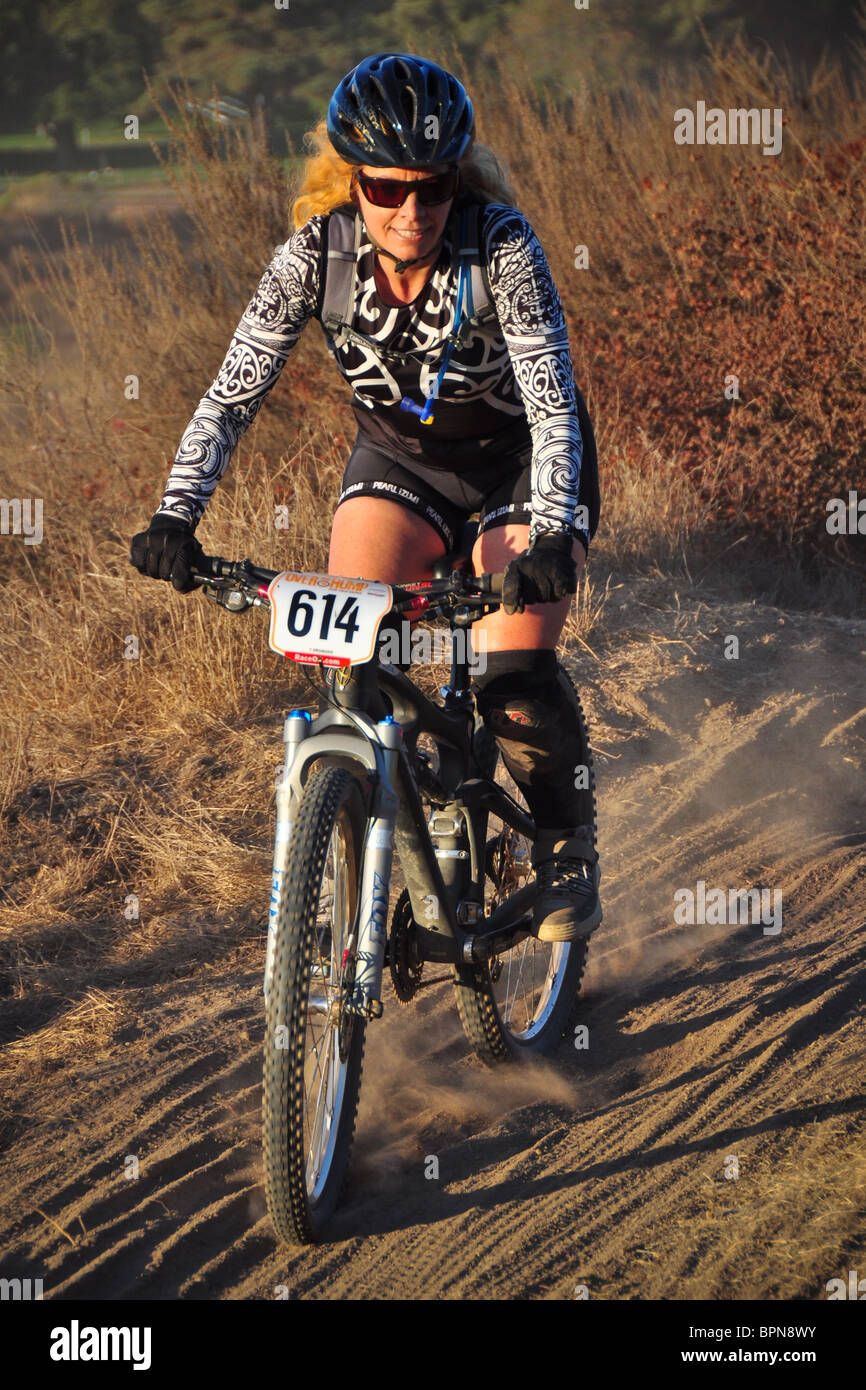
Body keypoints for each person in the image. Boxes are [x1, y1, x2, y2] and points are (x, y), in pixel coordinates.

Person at [130, 52, 602, 943]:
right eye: (386, 190)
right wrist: (176, 515)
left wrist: (547, 533)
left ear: (455, 181)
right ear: (352, 180)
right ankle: (375, 835)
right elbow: (233, 394)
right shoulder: (314, 256)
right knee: (352, 665)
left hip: (519, 469)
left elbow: (551, 401)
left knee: (513, 676)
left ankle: (567, 849)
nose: (411, 213)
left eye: (431, 189)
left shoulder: (502, 245)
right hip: (402, 470)